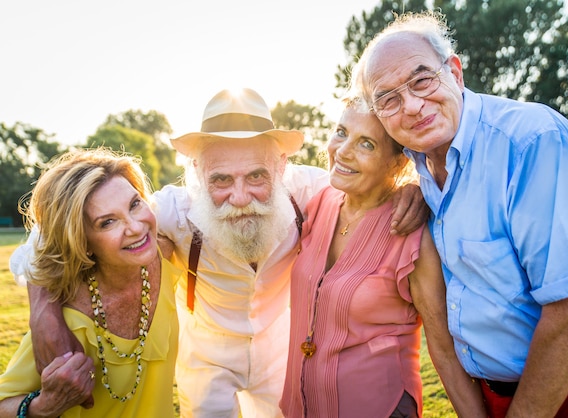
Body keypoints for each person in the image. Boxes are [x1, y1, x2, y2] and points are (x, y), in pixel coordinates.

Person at [13, 88, 428, 417]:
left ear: (281, 166)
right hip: (206, 360)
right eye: (222, 179)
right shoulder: (172, 211)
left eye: (257, 176)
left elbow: (374, 185)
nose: (241, 197)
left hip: (281, 358)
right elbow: (51, 238)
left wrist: (409, 190)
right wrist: (43, 310)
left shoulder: (311, 192)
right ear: (196, 172)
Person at [350, 10, 568, 418]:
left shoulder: (531, 141)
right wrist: (410, 189)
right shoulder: (423, 166)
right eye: (388, 99)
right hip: (493, 396)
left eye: (422, 79)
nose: (411, 105)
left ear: (455, 73)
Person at [279, 97, 485, 418]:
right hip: (301, 406)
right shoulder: (318, 203)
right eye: (341, 132)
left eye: (366, 144)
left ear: (398, 162)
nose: (343, 150)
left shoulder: (413, 233)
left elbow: (443, 349)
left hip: (381, 407)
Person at [0, 148, 180, 417]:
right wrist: (42, 407)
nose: (136, 227)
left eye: (134, 204)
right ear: (82, 242)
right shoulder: (67, 316)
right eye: (107, 222)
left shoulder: (167, 256)